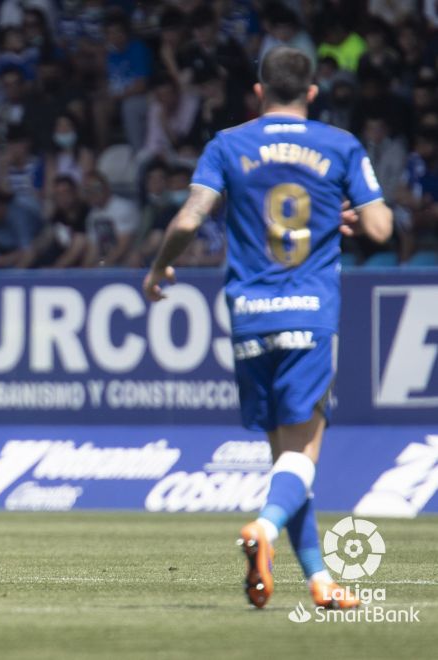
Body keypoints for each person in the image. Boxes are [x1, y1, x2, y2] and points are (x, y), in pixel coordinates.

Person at [142, 47, 393, 611]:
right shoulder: (339, 145)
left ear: (258, 92)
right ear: (311, 92)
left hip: (250, 315)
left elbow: (188, 219)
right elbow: (380, 225)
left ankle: (319, 580)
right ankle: (264, 528)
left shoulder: (227, 144)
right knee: (304, 453)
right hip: (309, 312)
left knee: (286, 458)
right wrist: (343, 212)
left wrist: (159, 268)